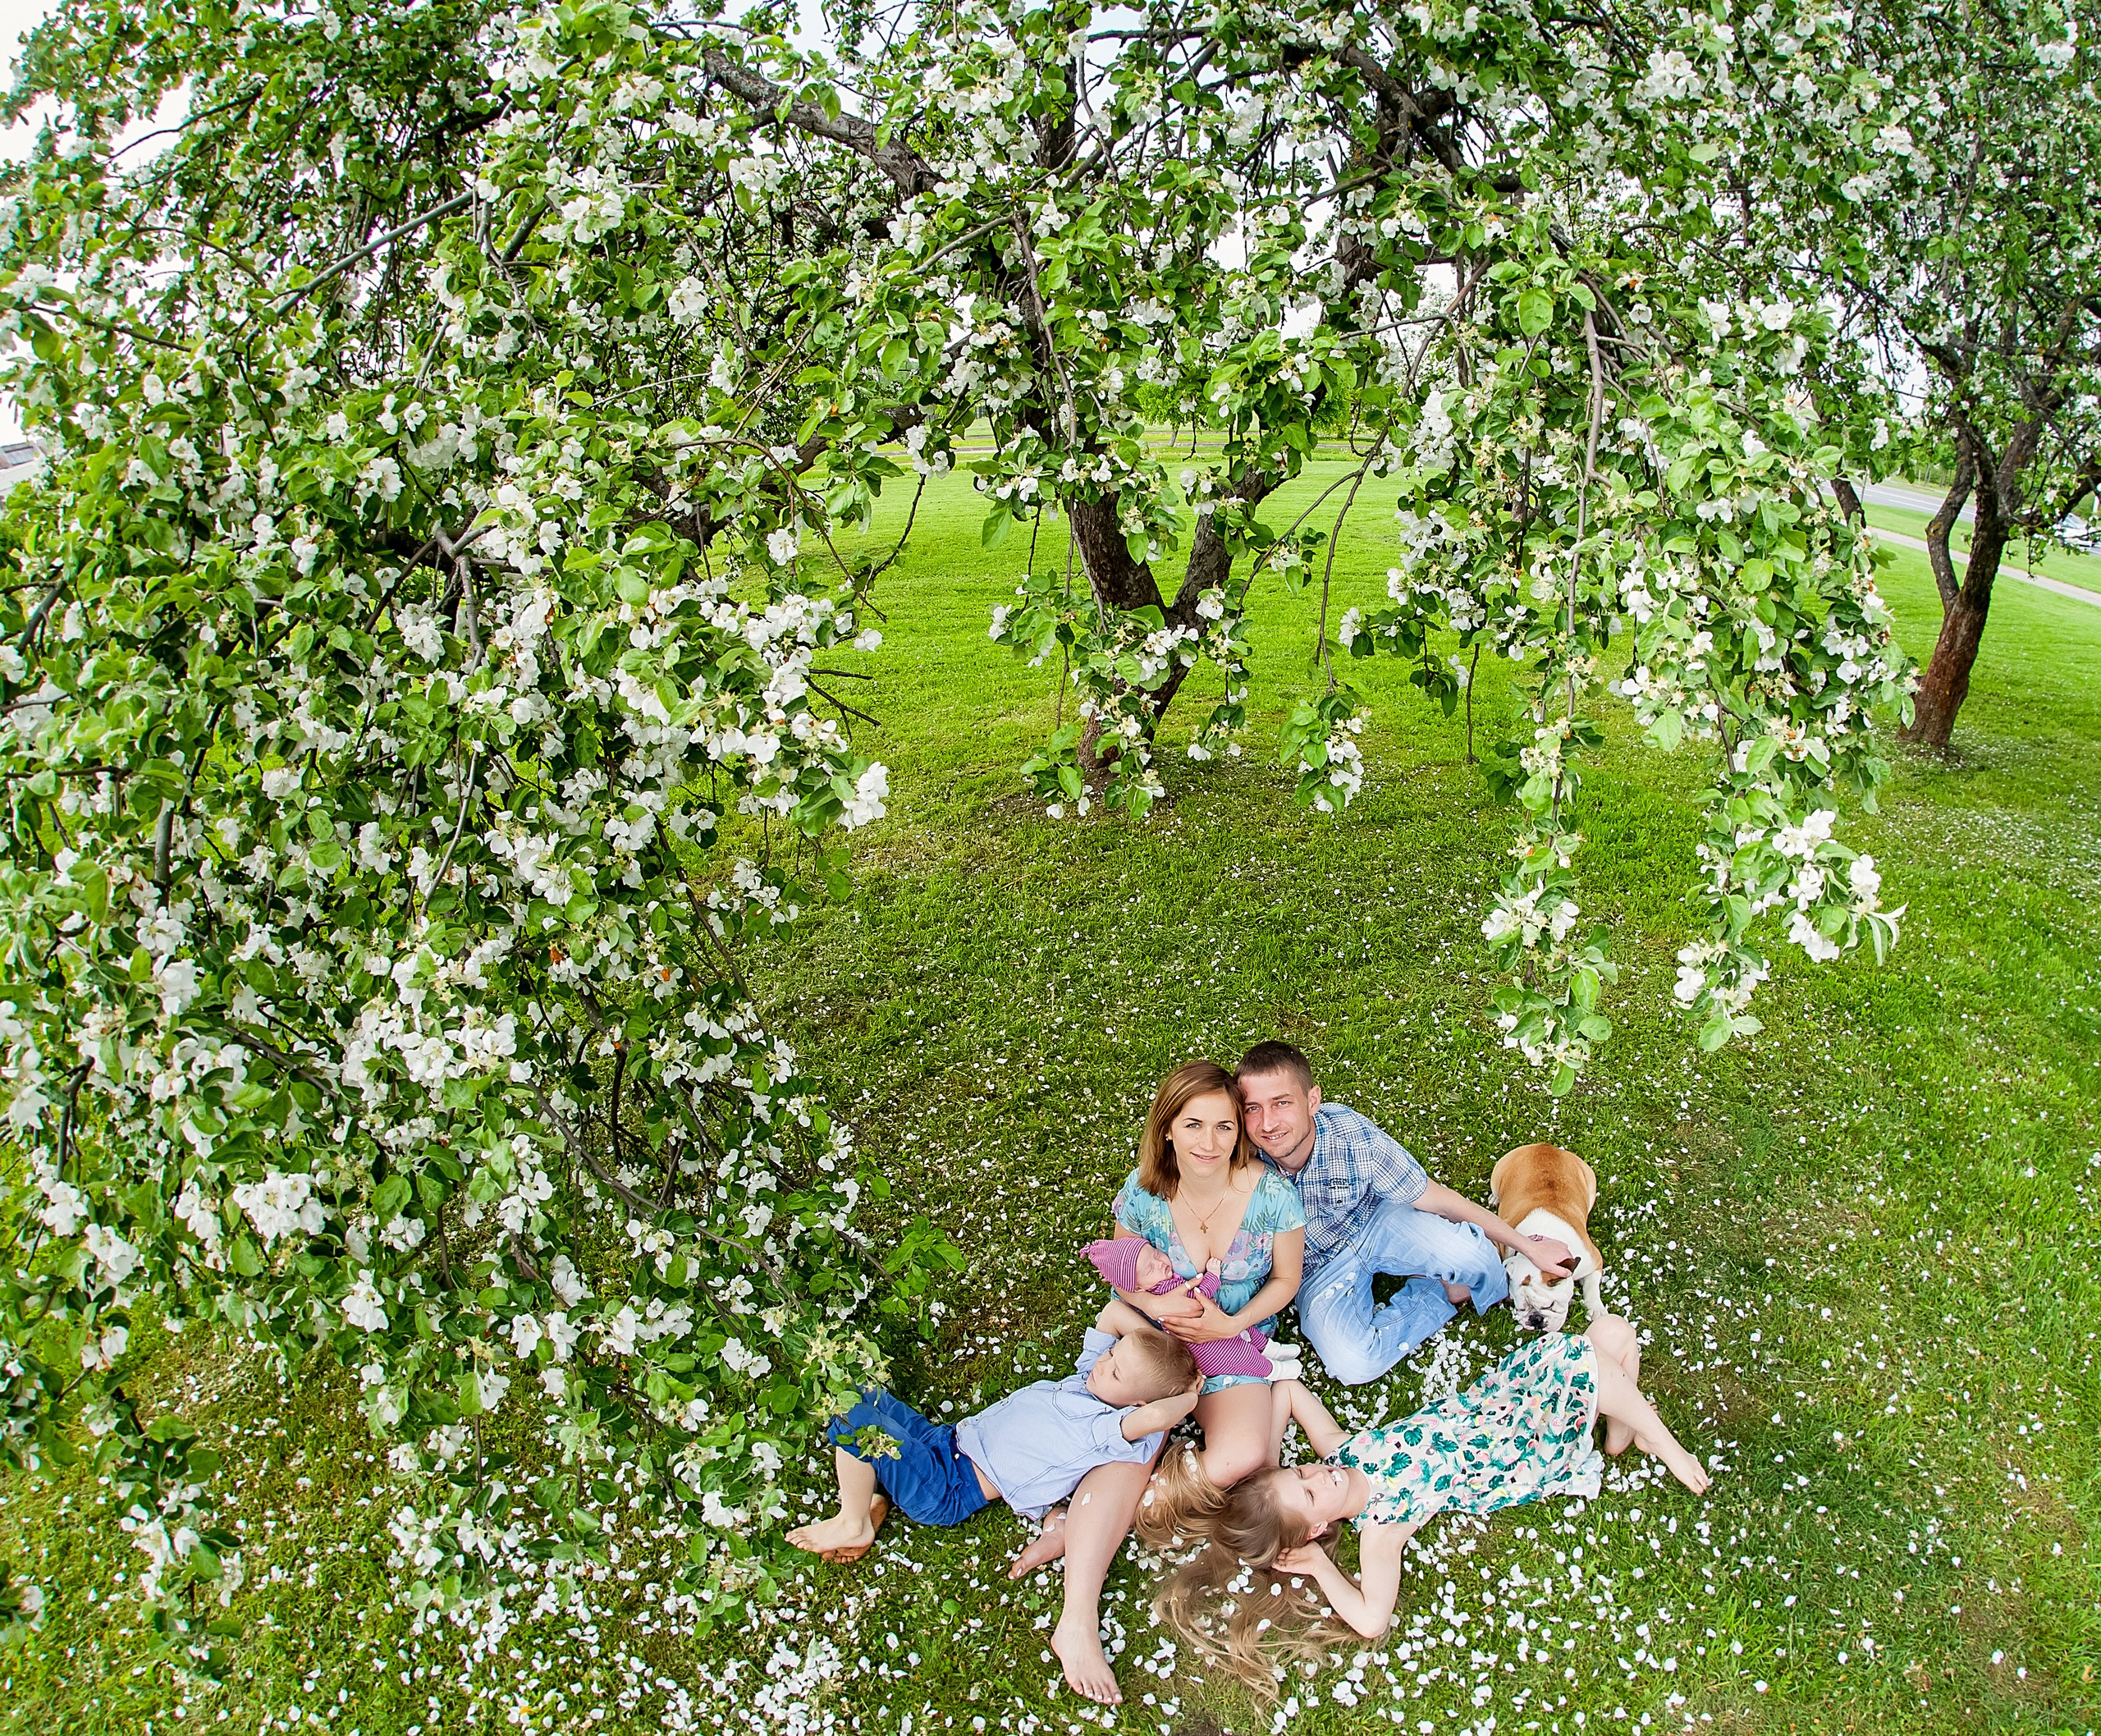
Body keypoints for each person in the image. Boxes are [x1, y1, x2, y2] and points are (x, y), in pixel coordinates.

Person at [1153, 1317, 1711, 1692]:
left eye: (1304, 1471)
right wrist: (1321, 1565)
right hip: (1521, 1447)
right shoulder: (1383, 1526)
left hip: (1501, 1401)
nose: (1319, 1472)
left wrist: (1272, 1468)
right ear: (1320, 1522)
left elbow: (1287, 1392)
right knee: (1580, 1357)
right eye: (1309, 1490)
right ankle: (1656, 1435)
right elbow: (1372, 1619)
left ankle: (1618, 1426)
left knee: (1610, 1330)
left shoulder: (1344, 1451)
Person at [1006, 1059, 1306, 1706]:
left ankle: (1097, 1515)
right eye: (1192, 1124)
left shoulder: (1274, 1192)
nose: (1209, 1140)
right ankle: (1077, 1615)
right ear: (1166, 1128)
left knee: (1243, 1455)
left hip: (1229, 1338)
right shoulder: (1144, 1192)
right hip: (1158, 1333)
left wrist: (1232, 1318)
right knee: (1127, 1440)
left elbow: (1285, 1280)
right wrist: (1157, 1307)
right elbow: (1122, 1274)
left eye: (1225, 1126)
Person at [1236, 1039, 1576, 1385]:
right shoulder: (1239, 1161)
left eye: (1281, 1103)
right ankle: (1440, 1293)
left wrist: (1529, 1247)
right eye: (1253, 1108)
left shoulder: (1350, 1137)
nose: (1267, 1123)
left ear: (1313, 1101)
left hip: (1375, 1222)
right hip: (1314, 1267)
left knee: (1478, 1258)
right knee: (1354, 1364)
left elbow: (1439, 1199)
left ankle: (1459, 1276)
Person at [786, 1300, 1201, 1563]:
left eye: (1115, 1371)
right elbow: (1111, 1315)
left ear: (1138, 1403)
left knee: (852, 1420)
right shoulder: (1085, 1382)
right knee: (858, 1394)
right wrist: (1154, 1342)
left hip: (947, 1487)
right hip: (944, 1440)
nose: (1101, 1363)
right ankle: (876, 1494)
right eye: (1110, 1354)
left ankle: (852, 1520)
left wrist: (1188, 1397)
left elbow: (1155, 1418)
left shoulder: (1105, 1428)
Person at [1079, 1235, 1299, 1381]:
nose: (1160, 1263)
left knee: (1247, 1333)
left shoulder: (1164, 1284)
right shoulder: (1164, 1294)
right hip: (1207, 1349)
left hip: (1217, 1324)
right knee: (1241, 1355)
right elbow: (1199, 1297)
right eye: (1150, 1268)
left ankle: (1274, 1350)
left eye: (1156, 1255)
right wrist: (1212, 1275)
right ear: (1138, 1287)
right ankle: (1274, 1371)